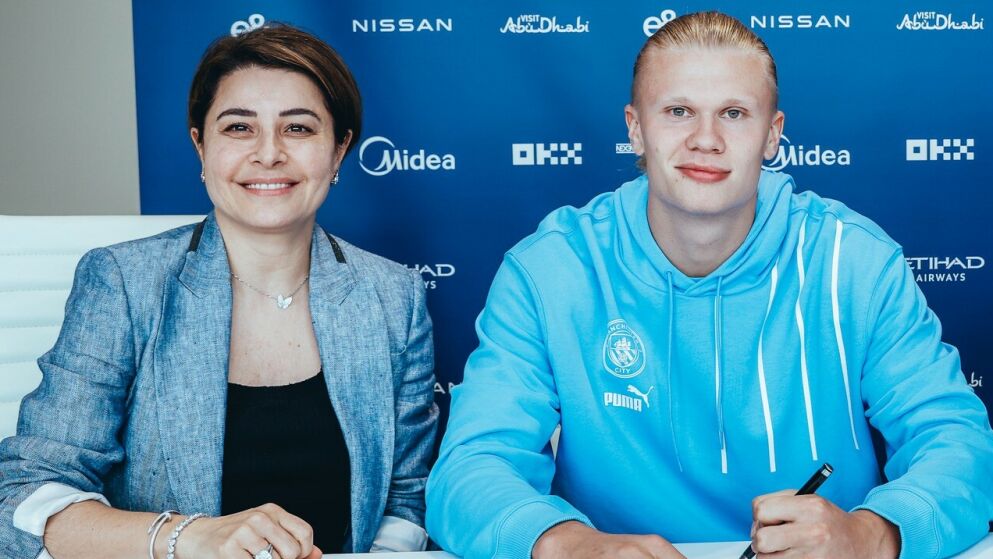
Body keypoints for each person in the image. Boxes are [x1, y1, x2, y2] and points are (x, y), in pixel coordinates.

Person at [426, 11, 993, 559]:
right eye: (678, 111)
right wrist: (566, 545)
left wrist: (870, 537)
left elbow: (959, 443)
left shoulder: (855, 261)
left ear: (772, 135)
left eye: (734, 113)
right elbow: (471, 468)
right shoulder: (551, 269)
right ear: (635, 128)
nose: (706, 139)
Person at [0, 24, 438, 559]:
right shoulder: (124, 283)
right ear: (201, 146)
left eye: (298, 128)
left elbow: (405, 496)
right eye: (239, 128)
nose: (269, 153)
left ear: (339, 149)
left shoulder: (393, 297)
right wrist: (186, 536)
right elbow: (22, 497)